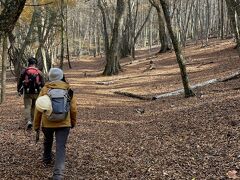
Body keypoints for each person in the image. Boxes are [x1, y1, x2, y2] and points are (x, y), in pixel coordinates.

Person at [34, 68, 77, 180]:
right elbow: (73, 109)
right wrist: (72, 122)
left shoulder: (45, 89)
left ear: (50, 77)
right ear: (62, 76)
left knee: (48, 141)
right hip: (64, 123)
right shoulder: (68, 89)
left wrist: (36, 125)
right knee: (60, 147)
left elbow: (38, 109)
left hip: (47, 123)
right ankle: (58, 175)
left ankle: (47, 159)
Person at [17, 57, 44, 129]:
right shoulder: (39, 72)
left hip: (27, 92)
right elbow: (43, 82)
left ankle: (29, 121)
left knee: (27, 107)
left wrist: (19, 90)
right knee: (34, 107)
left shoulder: (24, 71)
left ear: (28, 63)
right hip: (37, 92)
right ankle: (33, 121)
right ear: (35, 64)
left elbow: (20, 81)